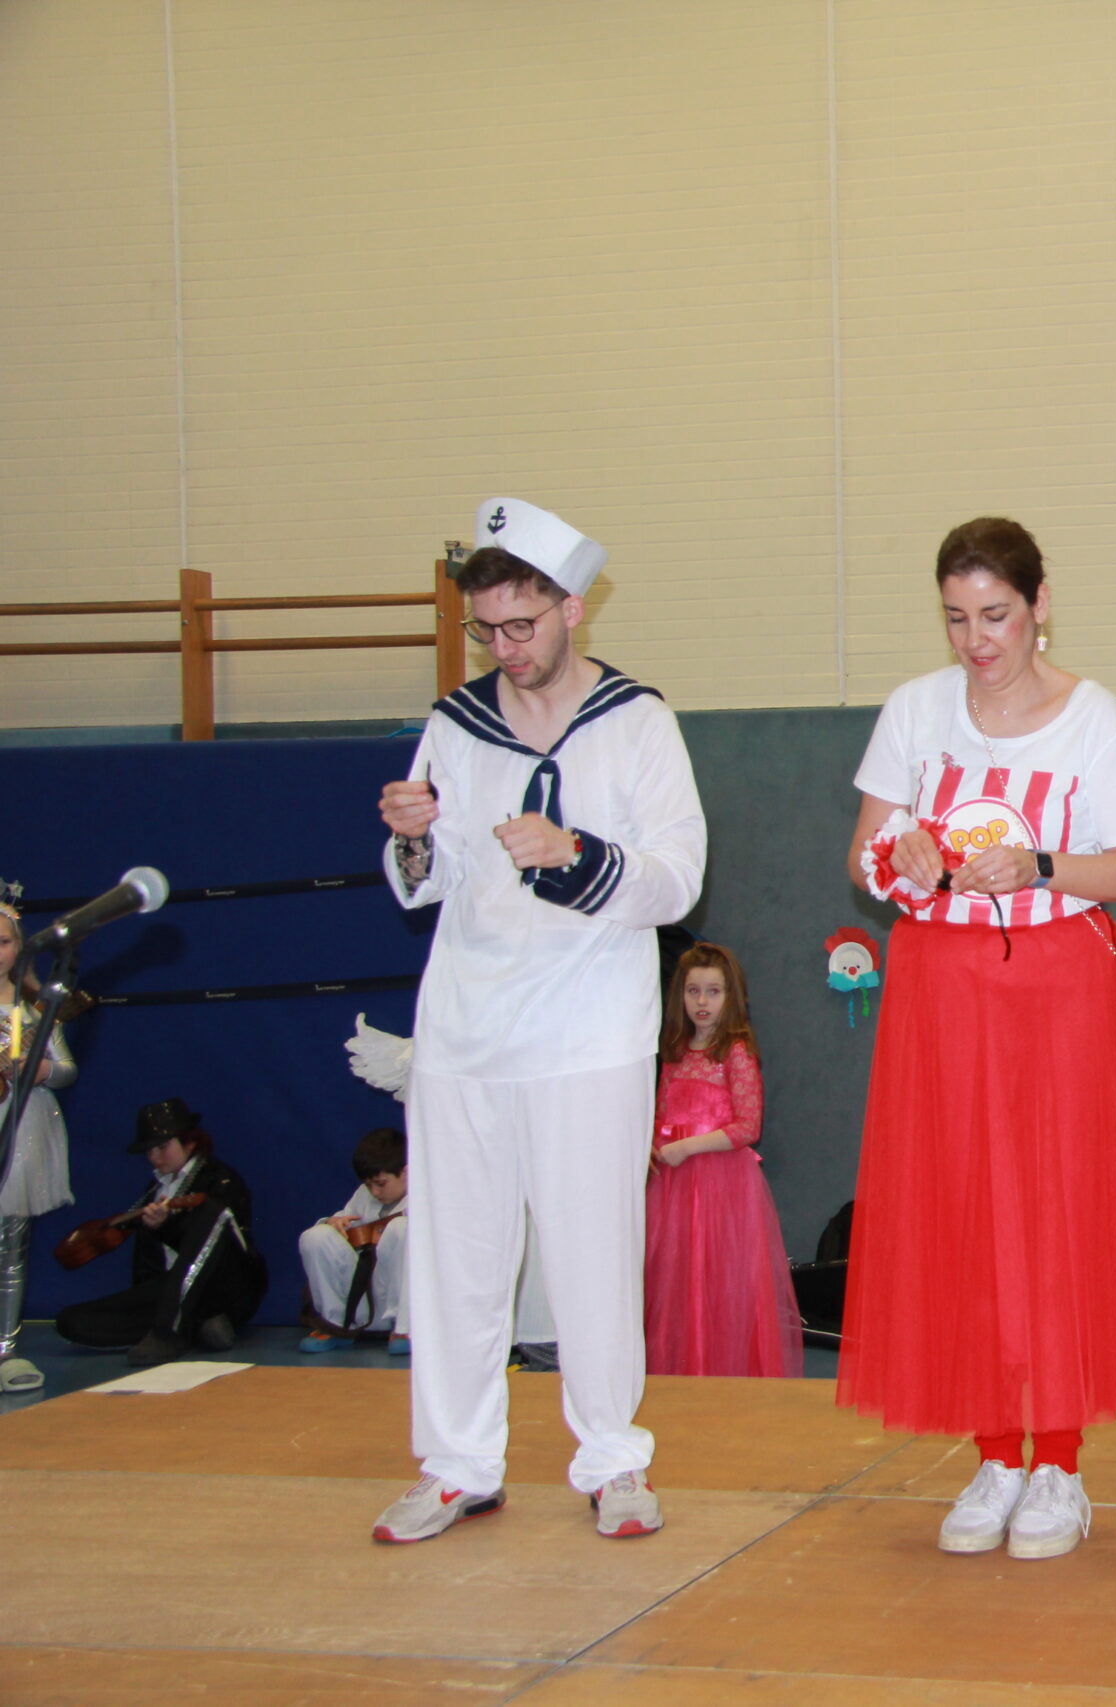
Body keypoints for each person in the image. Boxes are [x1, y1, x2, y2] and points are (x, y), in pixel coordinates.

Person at [373, 496, 706, 1545]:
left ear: (572, 608)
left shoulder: (637, 722)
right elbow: (427, 882)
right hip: (466, 1029)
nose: (505, 648)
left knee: (592, 1253)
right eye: (486, 630)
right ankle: (457, 1465)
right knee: (456, 1259)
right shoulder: (454, 724)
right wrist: (412, 836)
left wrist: (577, 855)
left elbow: (679, 879)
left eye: (521, 624)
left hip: (590, 1033)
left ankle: (613, 1460)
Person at [840, 516, 1116, 1562]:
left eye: (995, 615)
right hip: (939, 989)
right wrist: (906, 855)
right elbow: (864, 856)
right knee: (961, 1211)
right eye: (956, 618)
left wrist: (1039, 867)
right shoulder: (914, 709)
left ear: (1038, 605)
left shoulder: (1095, 718)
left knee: (1055, 1211)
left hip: (1057, 991)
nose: (976, 640)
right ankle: (994, 1454)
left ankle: (1059, 1463)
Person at [645, 942, 802, 1377]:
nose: (702, 1001)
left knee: (718, 1280)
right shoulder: (675, 1051)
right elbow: (662, 1113)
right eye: (693, 990)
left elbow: (747, 1126)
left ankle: (721, 1372)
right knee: (675, 1282)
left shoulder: (735, 1052)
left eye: (713, 992)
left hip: (721, 1186)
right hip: (674, 1188)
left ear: (731, 996)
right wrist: (652, 1143)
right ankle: (679, 1372)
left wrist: (687, 1147)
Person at [57, 1099, 267, 1367]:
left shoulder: (221, 1180)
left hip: (221, 1288)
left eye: (163, 1147)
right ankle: (197, 1326)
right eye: (149, 1150)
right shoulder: (155, 1189)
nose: (155, 1157)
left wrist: (166, 1227)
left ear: (189, 1143)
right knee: (71, 1321)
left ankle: (170, 1333)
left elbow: (217, 1247)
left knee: (212, 1212)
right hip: (170, 1292)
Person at [0, 887, 77, 1392]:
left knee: (11, 1244)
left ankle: (4, 1350)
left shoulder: (36, 1007)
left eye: (4, 941)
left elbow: (67, 1068)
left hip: (21, 1126)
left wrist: (40, 1068)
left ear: (20, 947)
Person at [296, 1127, 410, 1354]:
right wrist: (333, 1222)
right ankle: (336, 1325)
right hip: (364, 1297)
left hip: (401, 1295)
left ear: (406, 1172)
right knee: (315, 1236)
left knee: (402, 1229)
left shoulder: (431, 1196)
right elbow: (343, 1220)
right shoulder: (364, 1196)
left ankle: (405, 1329)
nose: (374, 1192)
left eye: (381, 1183)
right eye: (368, 1184)